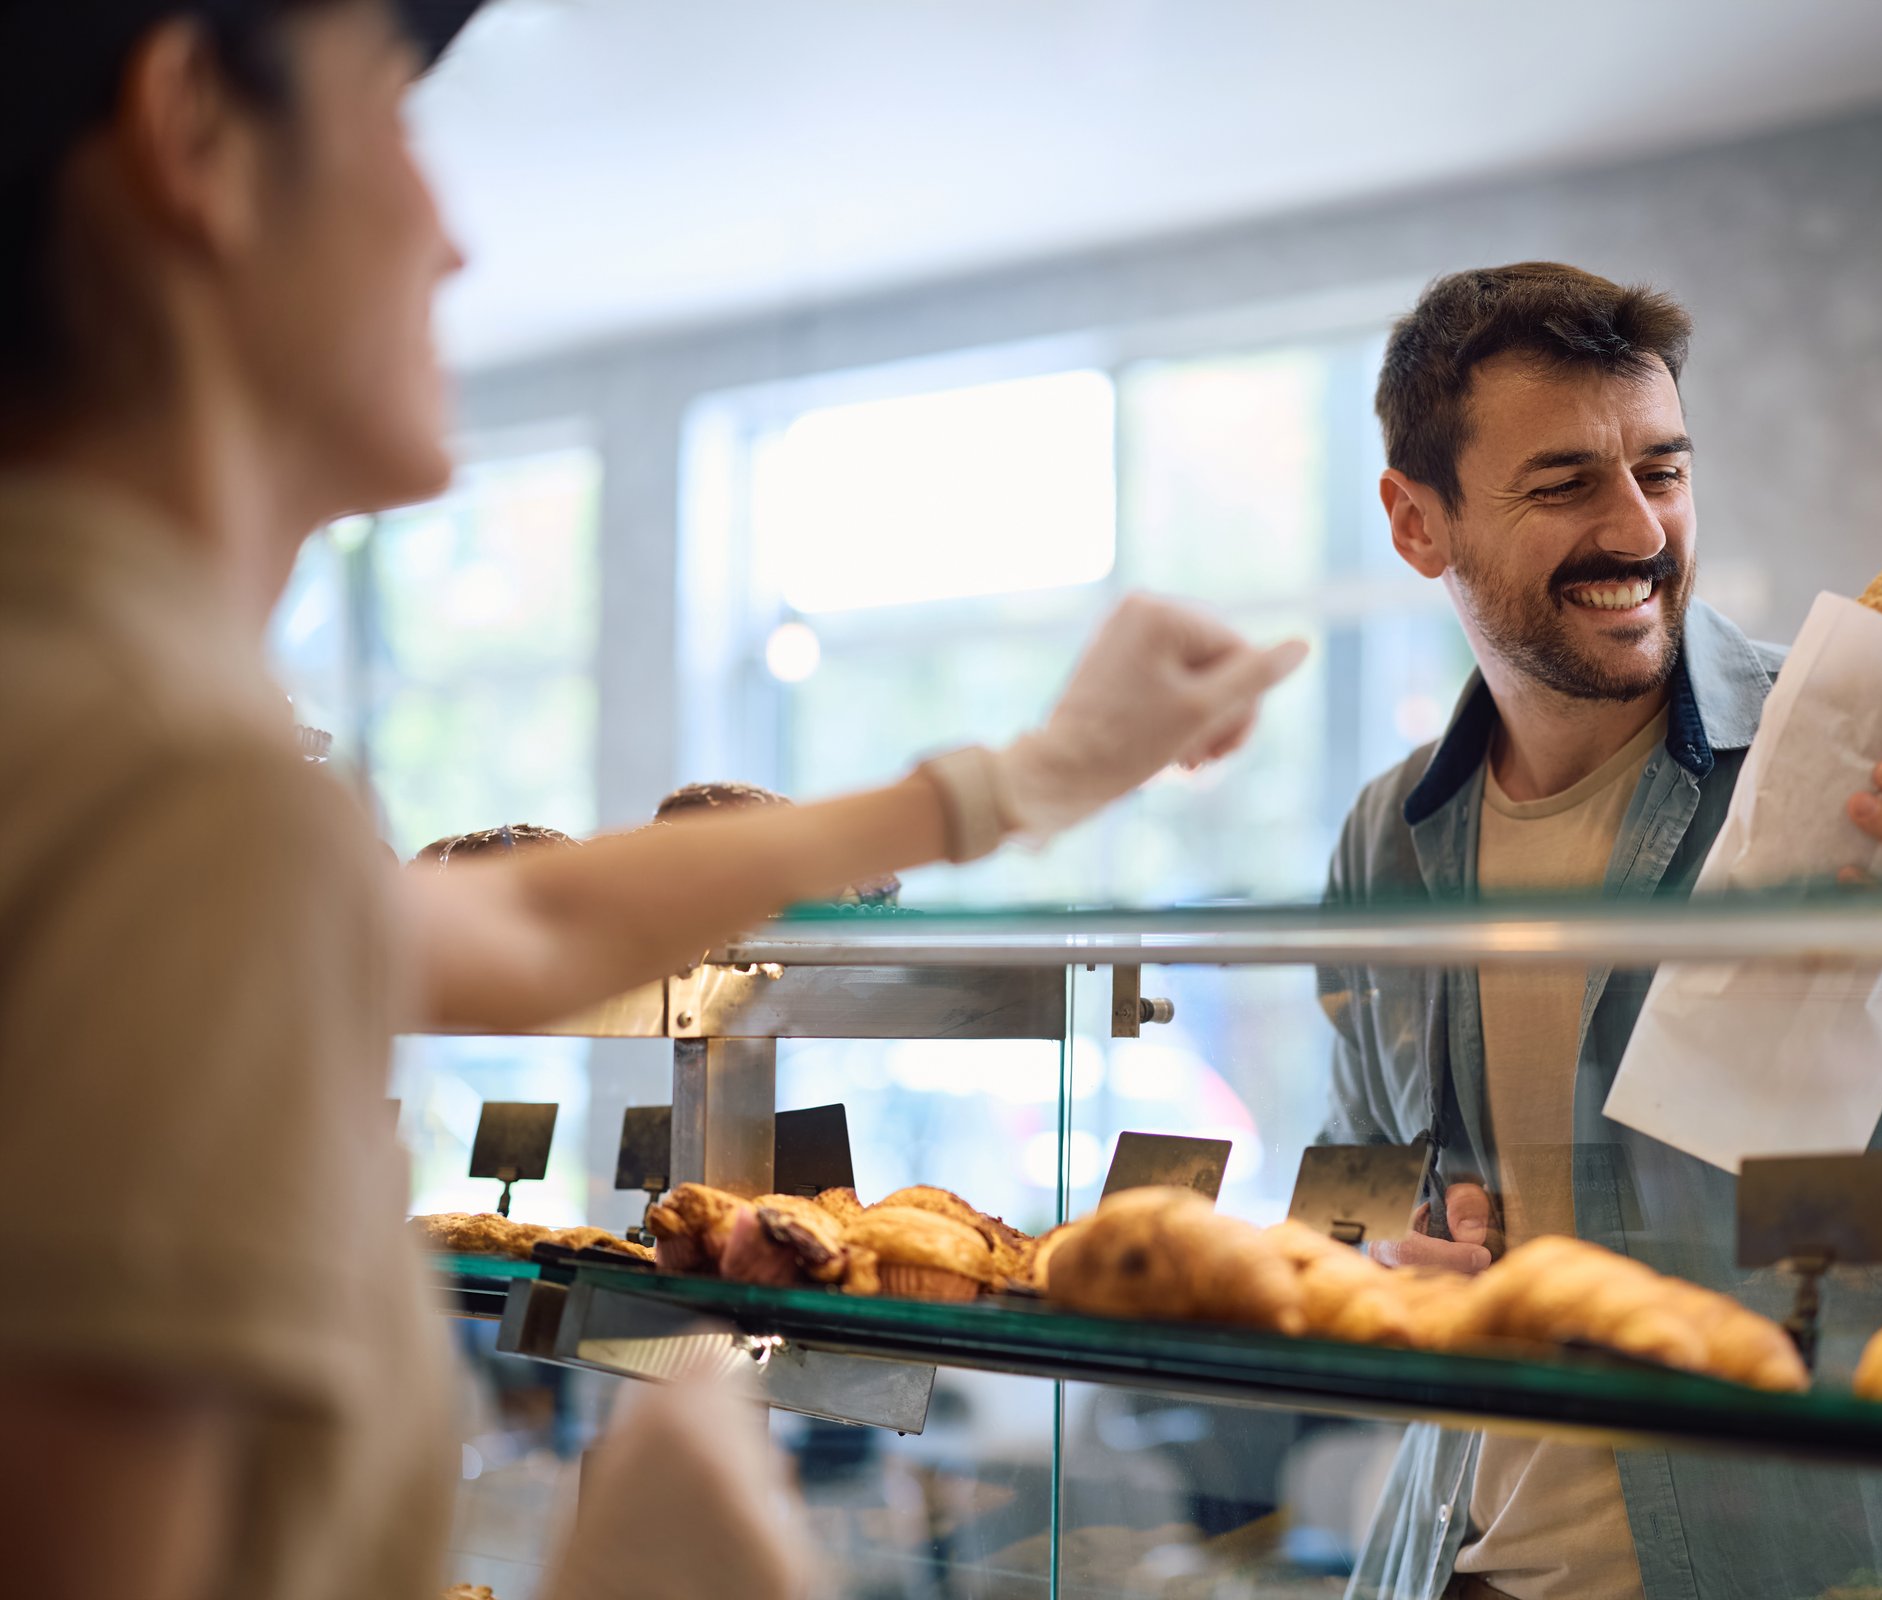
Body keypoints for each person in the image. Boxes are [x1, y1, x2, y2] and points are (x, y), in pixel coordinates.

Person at [0, 3, 1304, 1598]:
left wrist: (1009, 783)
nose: (453, 242)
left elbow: (510, 917)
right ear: (196, 129)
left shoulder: (80, 703)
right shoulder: (174, 780)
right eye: (399, 118)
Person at [1318, 263, 1882, 1600]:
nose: (1637, 530)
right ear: (1417, 524)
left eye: (1662, 472)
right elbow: (1349, 1186)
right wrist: (1377, 1256)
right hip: (1460, 1568)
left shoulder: (1878, 753)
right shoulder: (1389, 836)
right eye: (1563, 486)